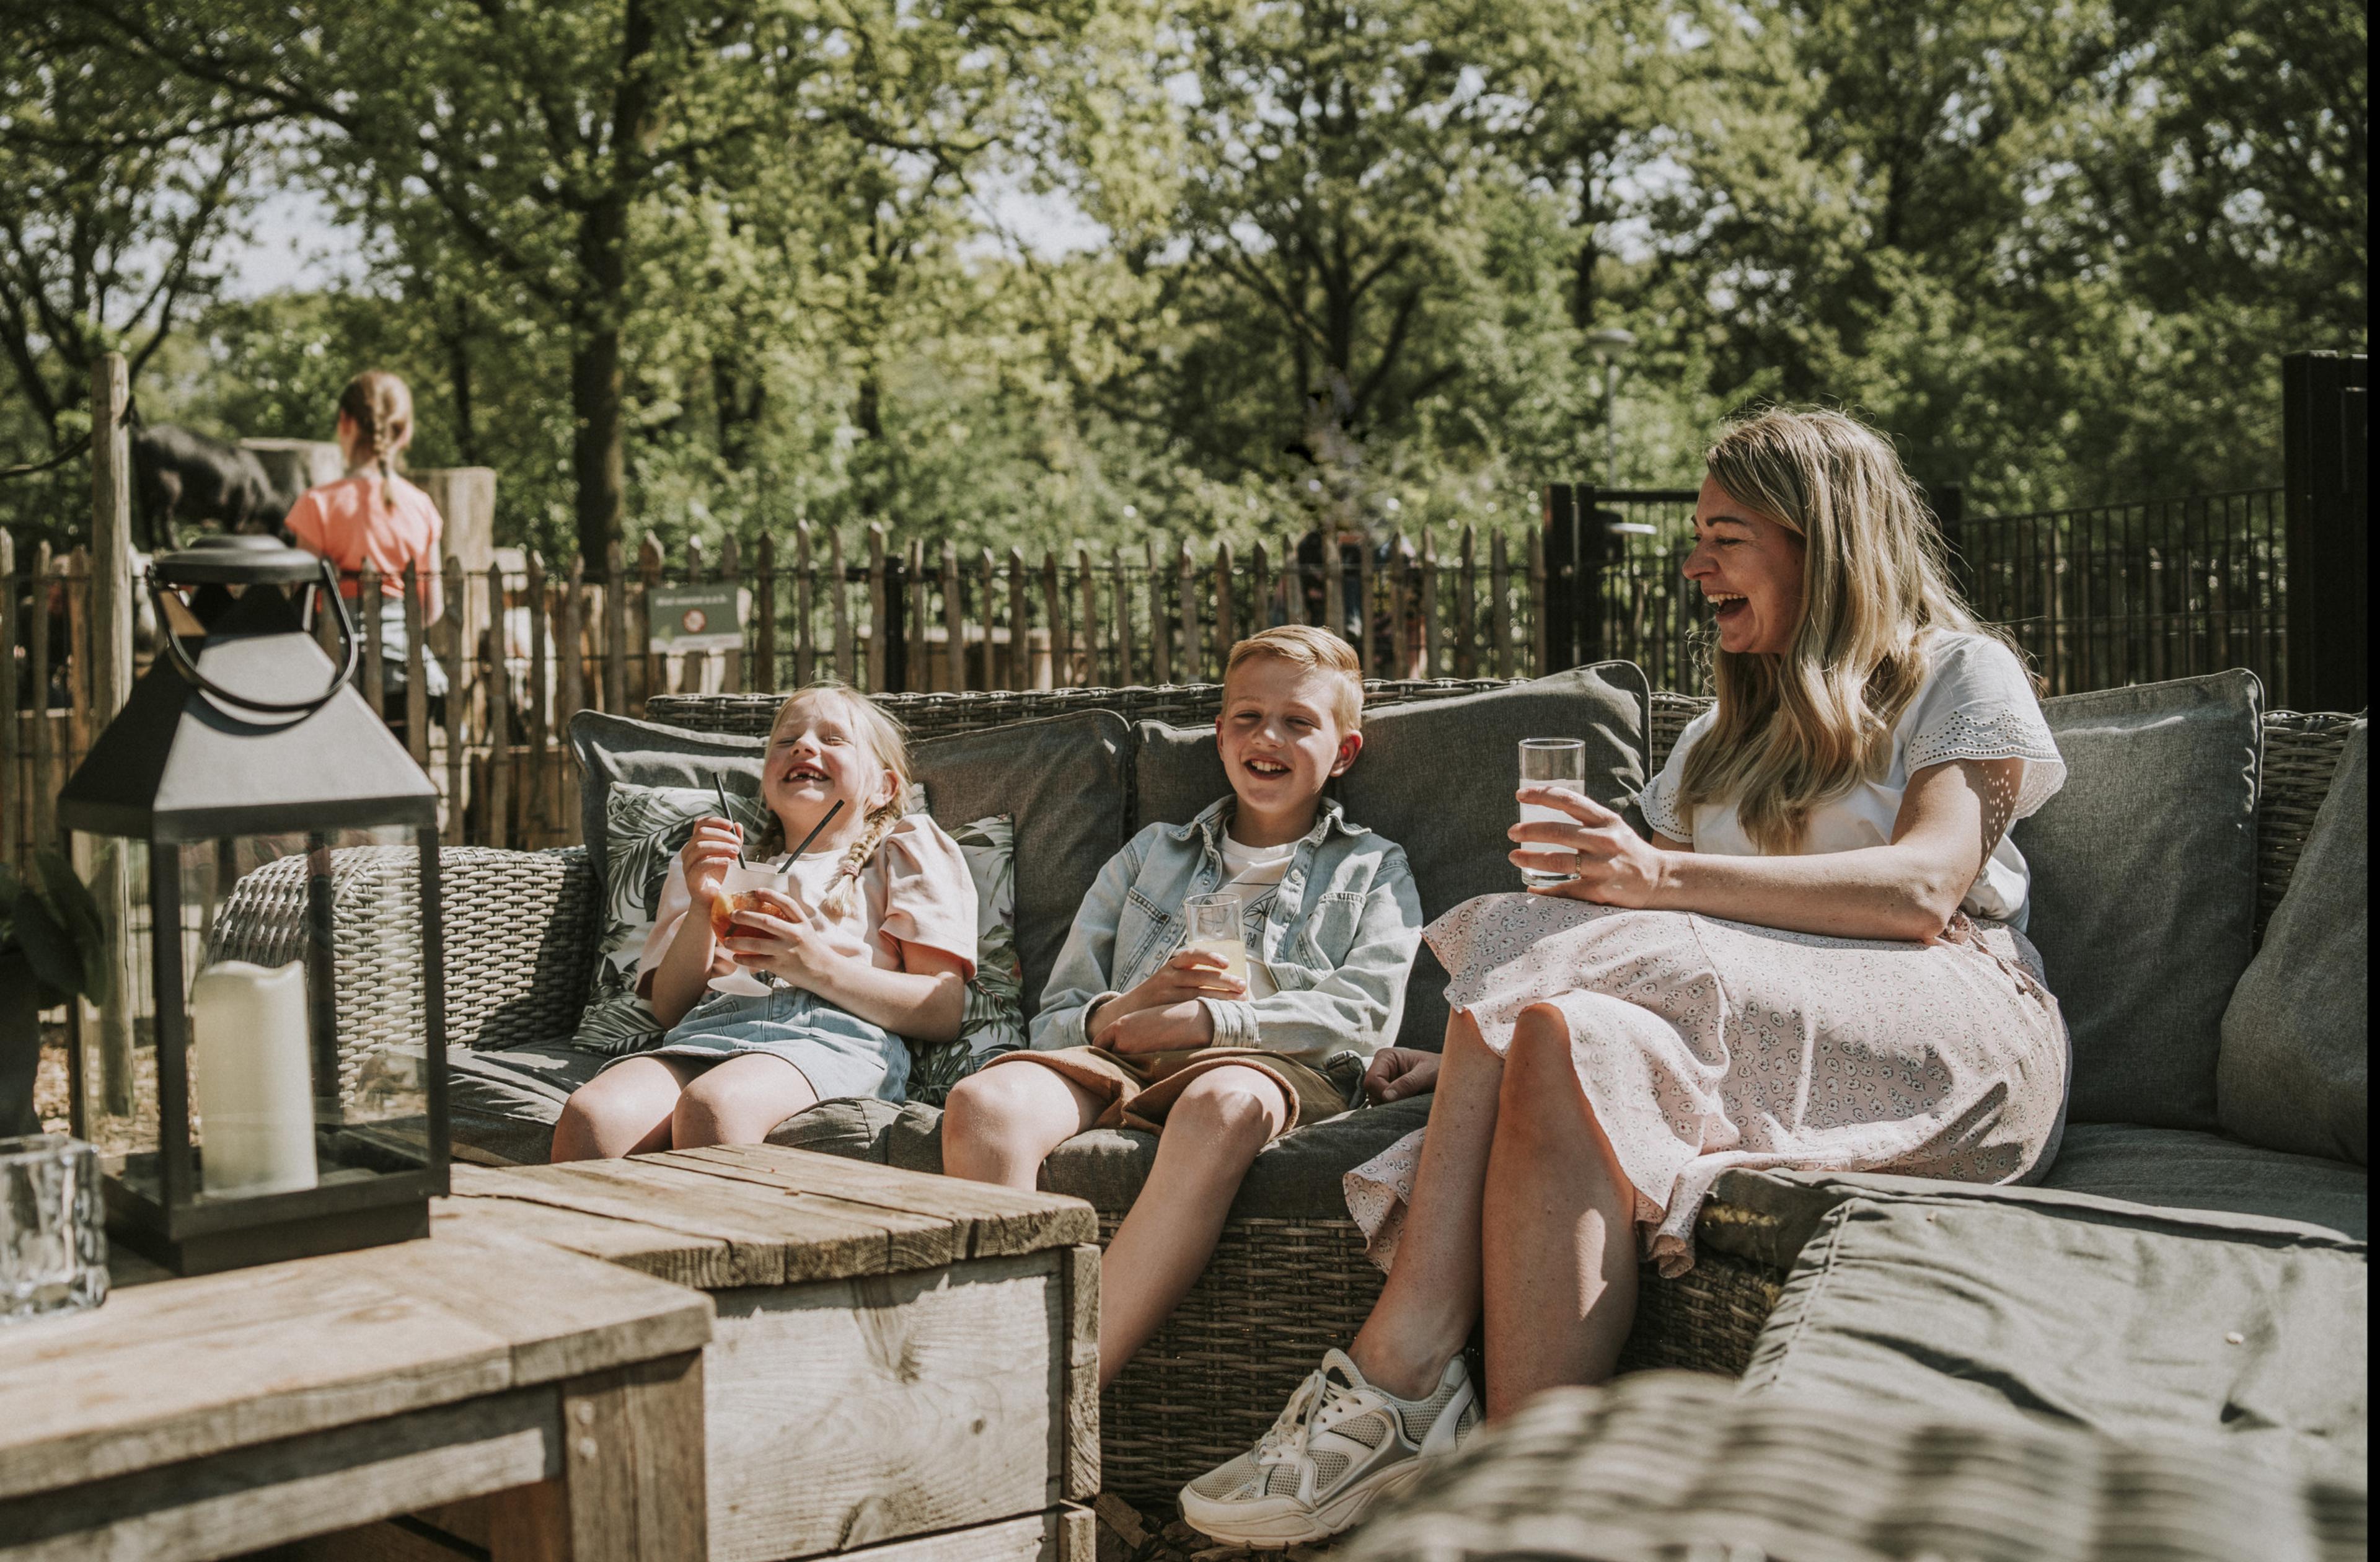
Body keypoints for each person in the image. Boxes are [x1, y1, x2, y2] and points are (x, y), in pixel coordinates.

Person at [1180, 407, 2071, 1549]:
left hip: (1952, 1034)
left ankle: (1400, 1370)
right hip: (1749, 1040)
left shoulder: (1957, 671)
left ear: (1825, 539)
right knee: (1553, 1029)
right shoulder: (1712, 742)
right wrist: (1478, 1053)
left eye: (1727, 535)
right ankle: (1529, 1505)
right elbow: (1589, 925)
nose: (1695, 563)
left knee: (1531, 938)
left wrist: (1656, 873)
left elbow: (1924, 892)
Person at [940, 625, 1426, 1390]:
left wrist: (1211, 1022)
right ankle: (999, 1365)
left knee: (1222, 1102)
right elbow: (1062, 1010)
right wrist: (1127, 1009)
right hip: (1122, 1054)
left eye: (1299, 722)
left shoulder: (1371, 866)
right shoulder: (1150, 854)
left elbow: (1364, 1015)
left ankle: (1054, 1397)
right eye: (1246, 717)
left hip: (1271, 1062)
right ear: (1221, 733)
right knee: (984, 1104)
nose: (1268, 736)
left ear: (1345, 752)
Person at [551, 682, 978, 1160]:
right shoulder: (714, 863)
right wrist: (701, 905)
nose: (804, 745)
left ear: (884, 787)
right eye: (785, 741)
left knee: (714, 1106)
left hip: (832, 1036)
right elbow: (670, 1009)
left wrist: (814, 965)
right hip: (707, 1032)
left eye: (834, 739)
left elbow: (942, 1011)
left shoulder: (903, 849)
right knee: (594, 1115)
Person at [283, 369, 449, 708]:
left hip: (335, 677)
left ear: (345, 423)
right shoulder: (421, 507)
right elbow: (432, 609)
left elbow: (299, 597)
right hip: (405, 679)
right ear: (405, 433)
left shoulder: (317, 505)